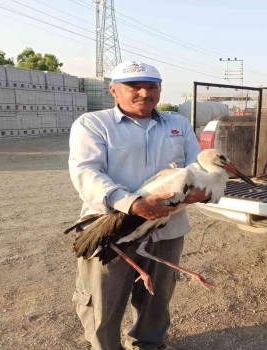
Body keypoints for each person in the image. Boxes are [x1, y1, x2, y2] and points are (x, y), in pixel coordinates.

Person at [68, 61, 209, 350]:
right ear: (113, 90)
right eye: (134, 87)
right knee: (103, 299)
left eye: (152, 86)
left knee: (156, 297)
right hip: (111, 227)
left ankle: (147, 344)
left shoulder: (177, 124)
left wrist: (201, 191)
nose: (144, 93)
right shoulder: (93, 124)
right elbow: (87, 173)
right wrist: (132, 203)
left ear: (159, 89)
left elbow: (196, 166)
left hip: (165, 229)